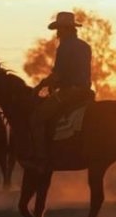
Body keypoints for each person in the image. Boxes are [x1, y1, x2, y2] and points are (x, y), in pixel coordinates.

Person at [27, 11, 94, 170]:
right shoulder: (85, 46)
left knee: (37, 118)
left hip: (69, 92)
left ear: (65, 29)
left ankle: (41, 159)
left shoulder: (65, 46)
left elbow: (59, 74)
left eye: (59, 29)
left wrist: (42, 85)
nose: (57, 33)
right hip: (85, 91)